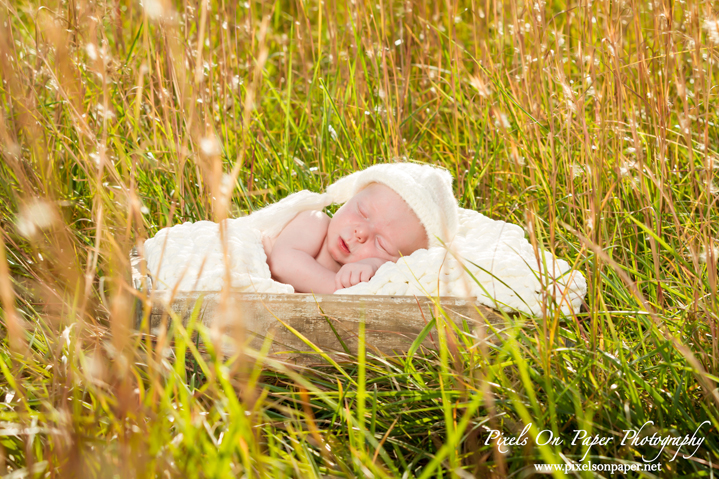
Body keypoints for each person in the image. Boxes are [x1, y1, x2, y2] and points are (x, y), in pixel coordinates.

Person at [262, 162, 459, 293]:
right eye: (362, 212)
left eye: (382, 244)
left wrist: (374, 267)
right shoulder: (314, 222)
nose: (361, 233)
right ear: (350, 199)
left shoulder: (378, 269)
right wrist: (344, 292)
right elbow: (282, 264)